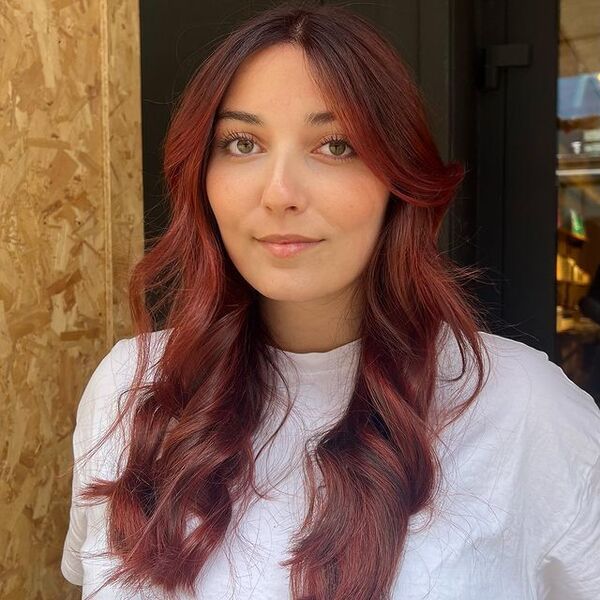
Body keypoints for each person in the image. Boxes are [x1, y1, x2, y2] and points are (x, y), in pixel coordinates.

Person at [61, 2, 600, 599]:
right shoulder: (129, 389)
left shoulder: (524, 409)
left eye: (336, 145)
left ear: (397, 179)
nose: (281, 192)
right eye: (241, 143)